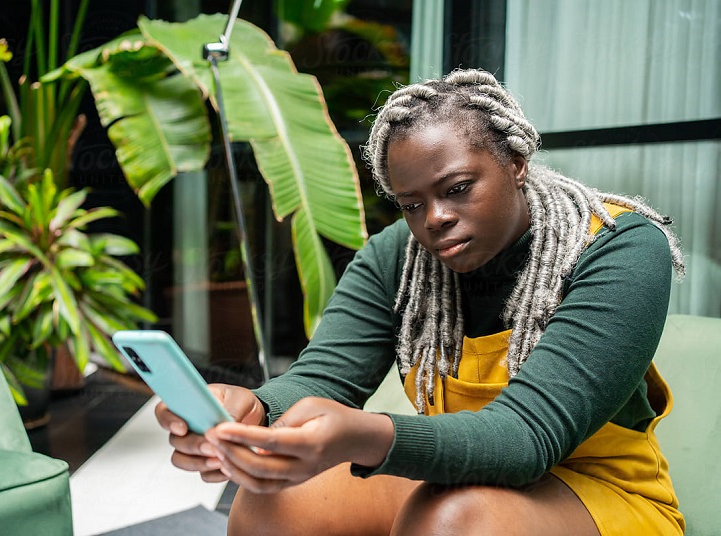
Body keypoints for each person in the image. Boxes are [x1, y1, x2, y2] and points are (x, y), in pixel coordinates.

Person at [155, 69, 686, 535]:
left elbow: (525, 439)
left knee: (454, 521)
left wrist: (364, 436)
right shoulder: (400, 257)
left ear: (517, 163)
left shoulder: (619, 246)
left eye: (457, 188)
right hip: (457, 479)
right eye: (412, 204)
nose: (433, 218)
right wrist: (254, 411)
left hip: (599, 494)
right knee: (275, 503)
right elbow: (321, 379)